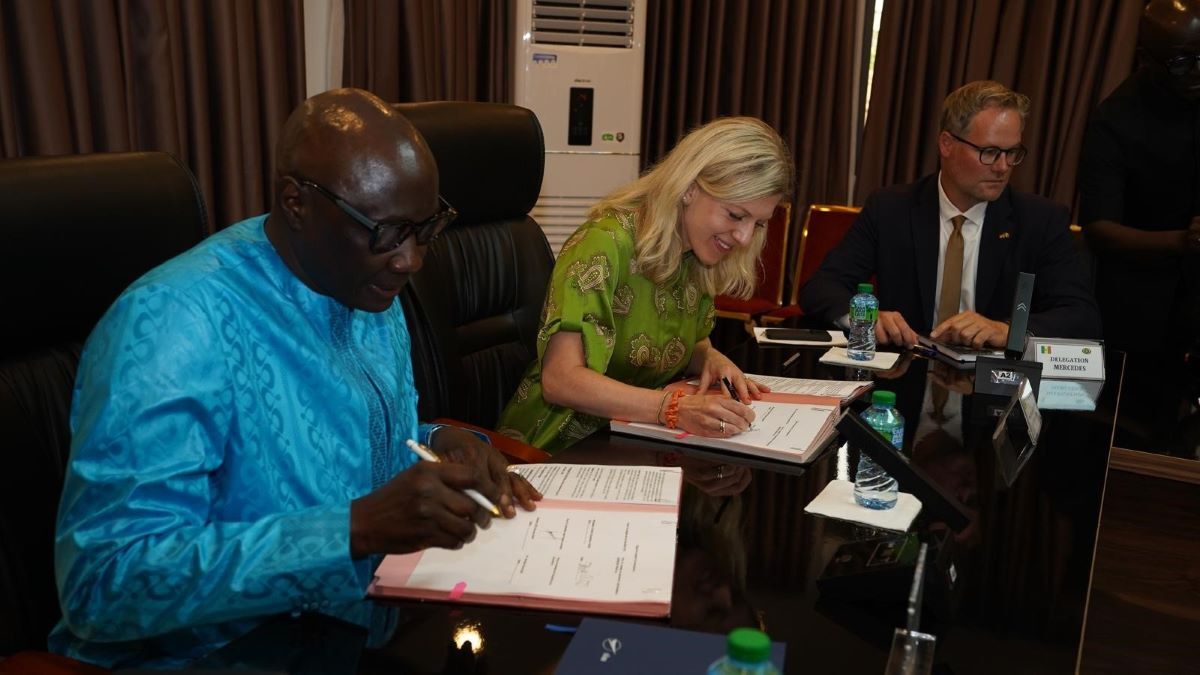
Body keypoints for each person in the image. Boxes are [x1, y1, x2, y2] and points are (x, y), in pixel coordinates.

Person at [50, 88, 540, 668]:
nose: (411, 260)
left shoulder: (364, 280)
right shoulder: (173, 325)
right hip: (218, 654)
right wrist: (350, 531)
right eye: (387, 233)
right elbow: (104, 583)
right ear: (296, 204)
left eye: (425, 227)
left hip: (359, 624)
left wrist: (435, 443)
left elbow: (351, 437)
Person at [495, 117, 794, 453]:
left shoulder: (696, 255)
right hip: (554, 447)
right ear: (689, 188)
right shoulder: (604, 242)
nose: (743, 237)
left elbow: (681, 340)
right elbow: (560, 380)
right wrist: (672, 407)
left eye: (758, 224)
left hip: (632, 439)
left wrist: (710, 357)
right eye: (736, 215)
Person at [802, 80, 1101, 349]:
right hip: (903, 378)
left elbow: (1081, 316)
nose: (1002, 167)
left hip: (988, 390)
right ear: (947, 144)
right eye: (990, 152)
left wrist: (1007, 330)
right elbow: (821, 288)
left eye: (1012, 153)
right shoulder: (891, 208)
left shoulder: (1040, 220)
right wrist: (865, 317)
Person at [1077, 0, 1200, 451]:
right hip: (1139, 314)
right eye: (1184, 61)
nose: (1197, 71)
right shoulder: (1116, 120)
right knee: (1134, 448)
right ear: (1147, 57)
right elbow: (1099, 228)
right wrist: (1183, 242)